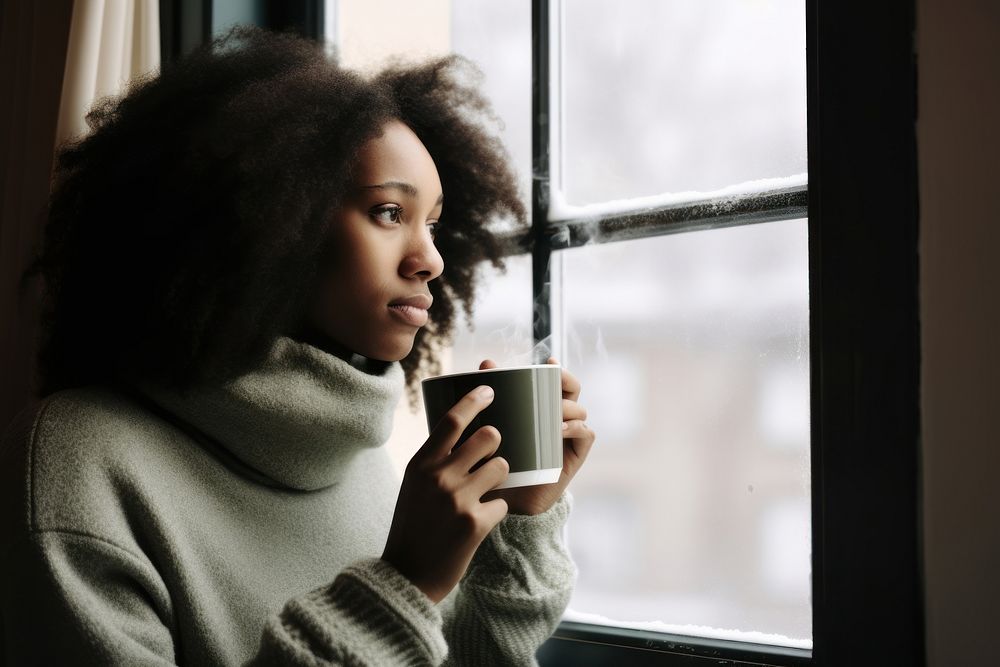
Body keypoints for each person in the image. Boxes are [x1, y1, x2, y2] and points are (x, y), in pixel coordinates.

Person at [0, 27, 595, 666]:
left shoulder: (359, 460)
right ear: (268, 221)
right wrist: (406, 582)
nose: (430, 260)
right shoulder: (75, 460)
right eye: (390, 213)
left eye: (434, 223)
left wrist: (519, 525)